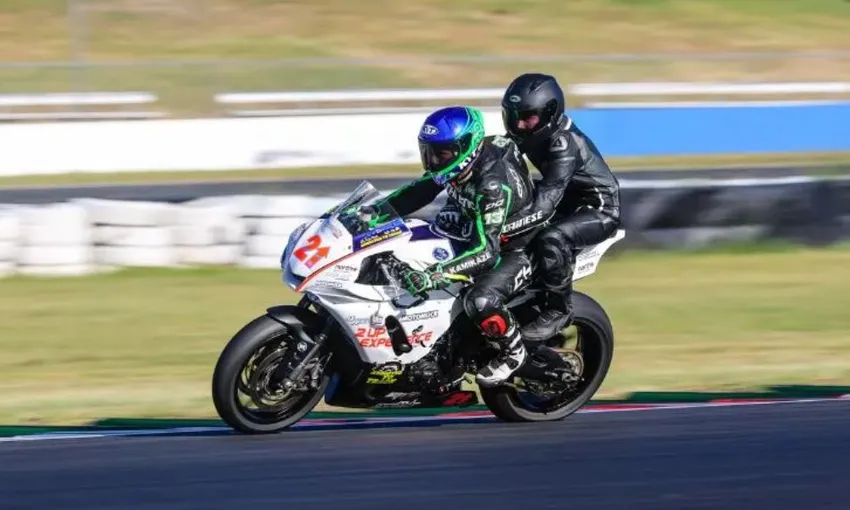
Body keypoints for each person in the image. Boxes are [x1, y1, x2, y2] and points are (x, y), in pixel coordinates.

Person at [364, 105, 539, 386]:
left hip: (515, 249)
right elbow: (418, 192)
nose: (433, 160)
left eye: (441, 153)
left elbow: (486, 252)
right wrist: (373, 214)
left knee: (479, 299)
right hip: (471, 224)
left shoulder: (491, 185)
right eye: (428, 152)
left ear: (466, 147)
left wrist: (434, 275)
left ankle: (513, 351)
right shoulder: (459, 165)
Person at [499, 72, 622, 342]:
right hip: (568, 202)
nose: (519, 125)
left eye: (527, 117)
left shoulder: (563, 143)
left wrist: (501, 227)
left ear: (549, 113)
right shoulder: (528, 134)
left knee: (551, 238)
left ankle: (559, 310)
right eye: (514, 116)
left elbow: (545, 204)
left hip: (598, 209)